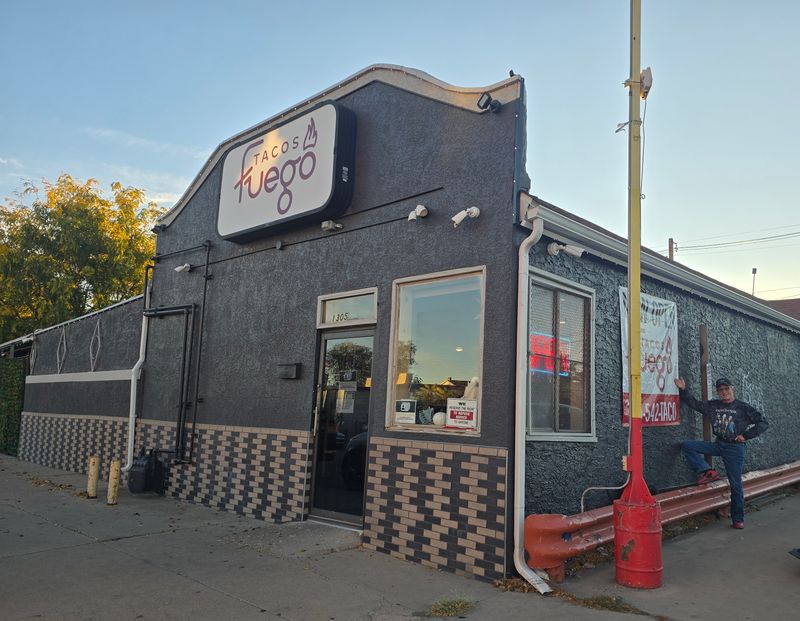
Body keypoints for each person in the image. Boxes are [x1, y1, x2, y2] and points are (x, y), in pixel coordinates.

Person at [674, 376, 768, 529]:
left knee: (735, 485)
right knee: (687, 445)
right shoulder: (714, 405)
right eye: (721, 390)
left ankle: (738, 518)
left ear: (733, 389)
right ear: (718, 392)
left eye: (726, 389)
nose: (724, 392)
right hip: (718, 445)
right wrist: (683, 390)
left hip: (734, 449)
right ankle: (706, 471)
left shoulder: (743, 407)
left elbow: (763, 423)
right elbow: (695, 404)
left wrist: (745, 436)